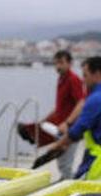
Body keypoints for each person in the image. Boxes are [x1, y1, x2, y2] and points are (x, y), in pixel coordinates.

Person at [17, 50, 85, 179]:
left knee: (66, 164)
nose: (58, 67)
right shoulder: (61, 79)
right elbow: (60, 106)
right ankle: (64, 183)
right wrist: (45, 120)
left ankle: (68, 188)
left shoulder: (73, 79)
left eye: (61, 63)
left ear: (69, 63)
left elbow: (81, 102)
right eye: (56, 63)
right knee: (61, 161)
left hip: (70, 129)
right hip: (60, 128)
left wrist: (68, 122)